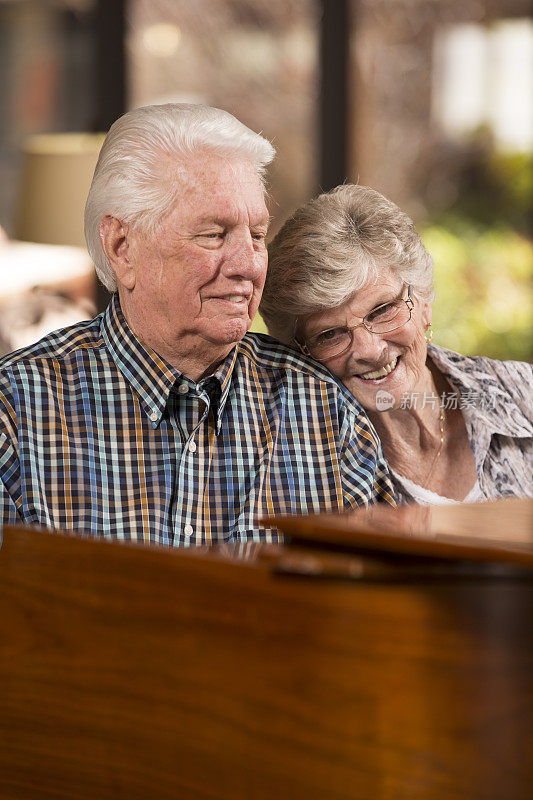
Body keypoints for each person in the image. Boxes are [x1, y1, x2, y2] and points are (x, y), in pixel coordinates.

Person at [0, 106, 395, 544]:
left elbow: (379, 600)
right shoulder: (18, 414)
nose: (249, 264)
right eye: (214, 234)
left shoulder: (322, 409)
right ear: (121, 247)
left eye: (258, 235)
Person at [260, 184, 532, 505]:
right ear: (302, 353)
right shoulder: (308, 469)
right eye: (330, 334)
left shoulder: (522, 392)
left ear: (424, 301)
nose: (369, 350)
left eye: (383, 310)